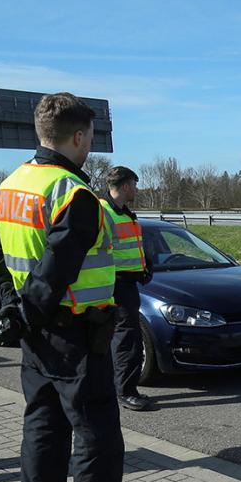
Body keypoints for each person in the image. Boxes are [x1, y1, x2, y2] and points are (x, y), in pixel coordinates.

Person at [0, 93, 150, 482]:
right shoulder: (73, 194)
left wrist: (8, 314)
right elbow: (54, 271)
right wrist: (30, 313)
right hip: (75, 334)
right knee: (97, 435)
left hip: (36, 335)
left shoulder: (12, 184)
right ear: (79, 136)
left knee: (42, 423)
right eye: (90, 138)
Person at [101, 166, 156, 411]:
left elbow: (131, 246)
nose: (136, 189)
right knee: (127, 340)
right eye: (134, 184)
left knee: (125, 338)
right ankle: (126, 391)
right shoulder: (102, 212)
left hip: (128, 282)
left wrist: (144, 267)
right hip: (114, 284)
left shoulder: (124, 213)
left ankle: (121, 388)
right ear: (124, 186)